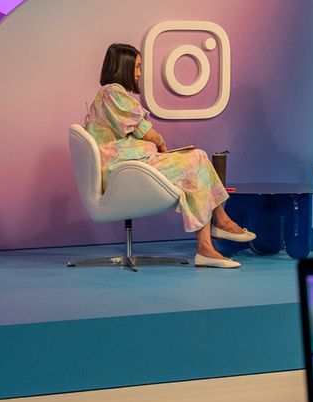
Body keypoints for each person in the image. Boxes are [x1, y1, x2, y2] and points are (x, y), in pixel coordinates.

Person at [85, 42, 253, 268]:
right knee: (198, 158)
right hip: (127, 169)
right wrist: (160, 142)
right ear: (123, 67)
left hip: (133, 165)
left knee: (196, 162)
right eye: (136, 66)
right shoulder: (111, 91)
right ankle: (217, 228)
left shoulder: (108, 95)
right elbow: (143, 130)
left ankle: (209, 242)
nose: (139, 72)